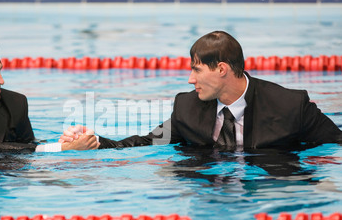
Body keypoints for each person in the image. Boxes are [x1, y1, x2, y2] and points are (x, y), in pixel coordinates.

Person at [61, 31, 342, 149]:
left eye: (196, 69)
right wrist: (95, 141)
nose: (189, 80)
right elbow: (148, 143)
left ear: (221, 69)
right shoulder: (187, 107)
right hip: (205, 185)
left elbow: (336, 147)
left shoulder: (291, 105)